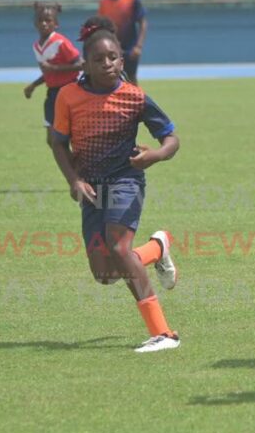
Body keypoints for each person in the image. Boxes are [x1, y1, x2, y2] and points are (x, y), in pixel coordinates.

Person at [50, 23, 181, 352]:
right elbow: (57, 142)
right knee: (105, 273)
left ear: (122, 62)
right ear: (86, 64)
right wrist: (74, 180)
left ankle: (163, 334)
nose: (107, 63)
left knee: (120, 249)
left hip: (126, 180)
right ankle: (157, 248)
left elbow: (171, 138)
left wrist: (156, 155)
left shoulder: (134, 97)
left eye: (113, 57)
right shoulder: (68, 97)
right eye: (99, 59)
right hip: (91, 188)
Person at [23, 2, 82, 146]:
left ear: (56, 24)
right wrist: (33, 86)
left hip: (69, 90)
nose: (44, 24)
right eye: (40, 20)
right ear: (35, 24)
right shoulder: (36, 47)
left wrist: (54, 68)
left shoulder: (60, 42)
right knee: (52, 141)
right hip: (52, 93)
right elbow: (48, 73)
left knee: (69, 137)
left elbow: (81, 64)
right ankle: (70, 166)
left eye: (48, 20)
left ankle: (76, 165)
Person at [97, 0, 148, 85]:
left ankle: (136, 101)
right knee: (112, 77)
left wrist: (138, 46)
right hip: (111, 48)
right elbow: (101, 27)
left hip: (130, 48)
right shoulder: (104, 3)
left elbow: (143, 23)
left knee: (131, 77)